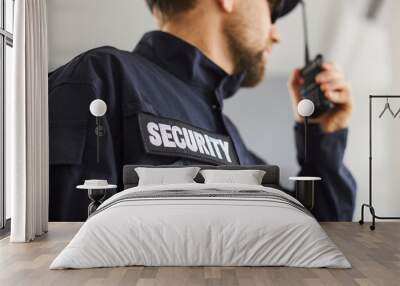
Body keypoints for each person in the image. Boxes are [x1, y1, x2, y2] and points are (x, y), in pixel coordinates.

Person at [49, 0, 356, 222]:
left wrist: (322, 136)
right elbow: (65, 239)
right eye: (271, 11)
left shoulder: (233, 141)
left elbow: (323, 228)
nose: (276, 34)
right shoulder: (102, 78)